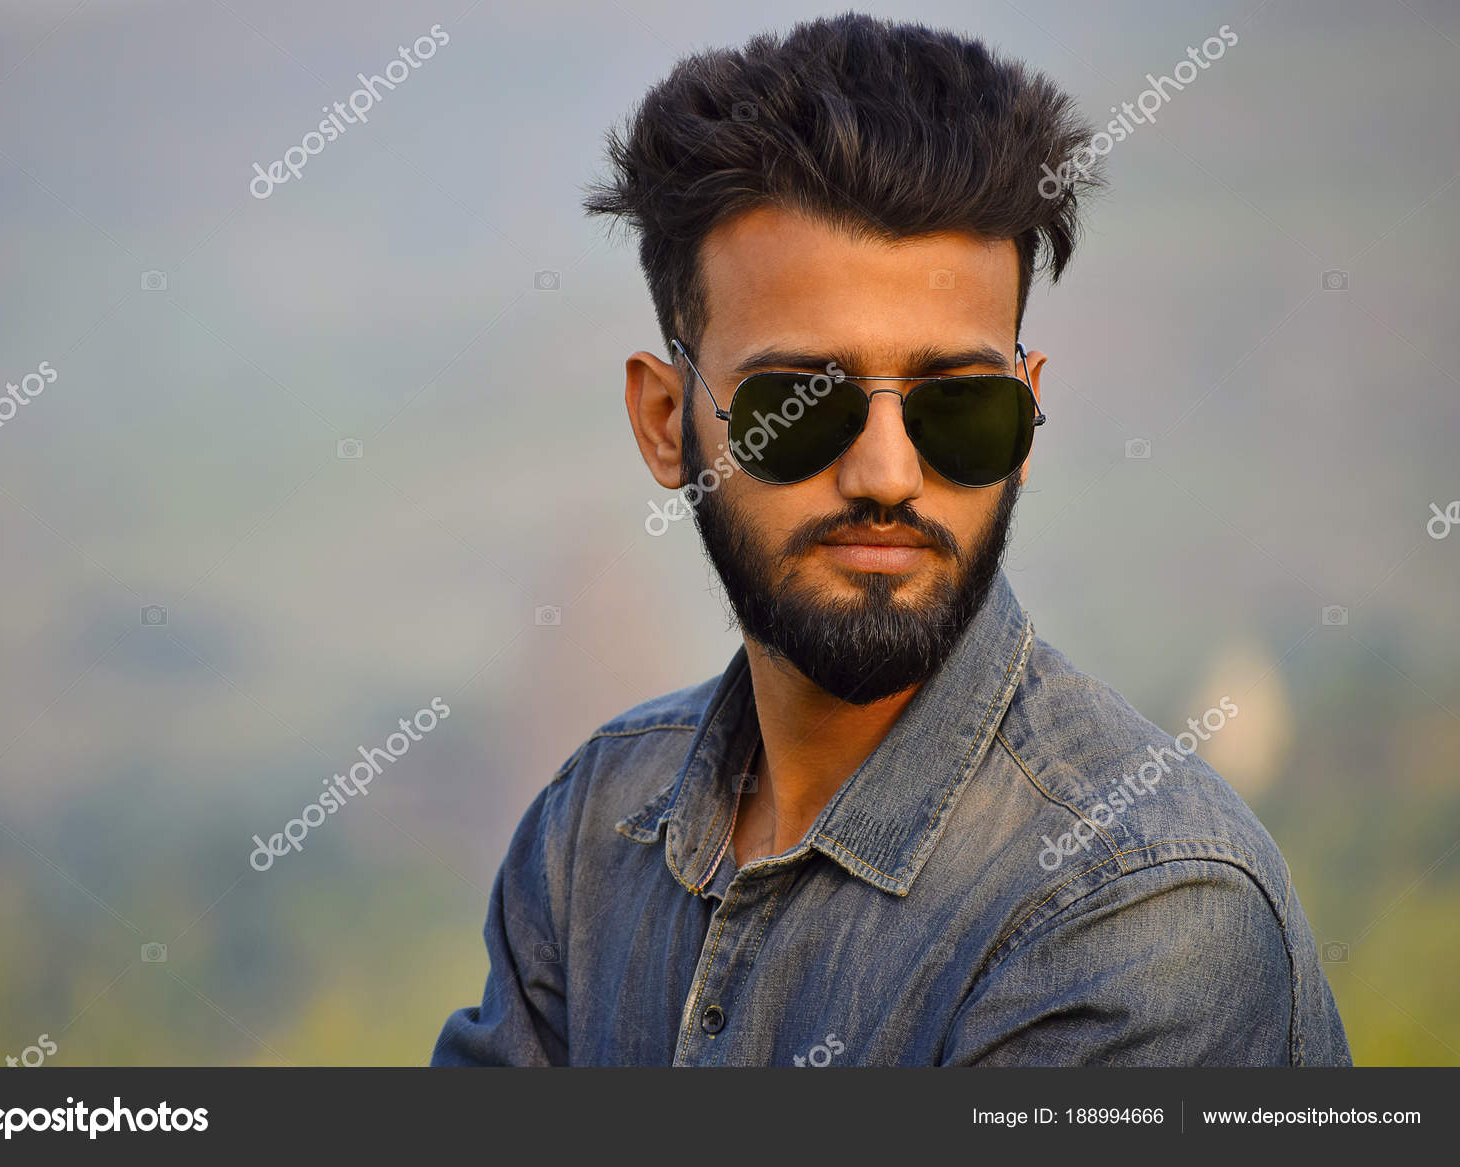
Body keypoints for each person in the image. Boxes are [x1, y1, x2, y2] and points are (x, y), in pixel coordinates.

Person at [432, 13, 1350, 1066]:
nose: (886, 473)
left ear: (1028, 414)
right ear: (663, 421)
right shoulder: (592, 831)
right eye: (800, 404)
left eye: (958, 406)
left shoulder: (1146, 911)